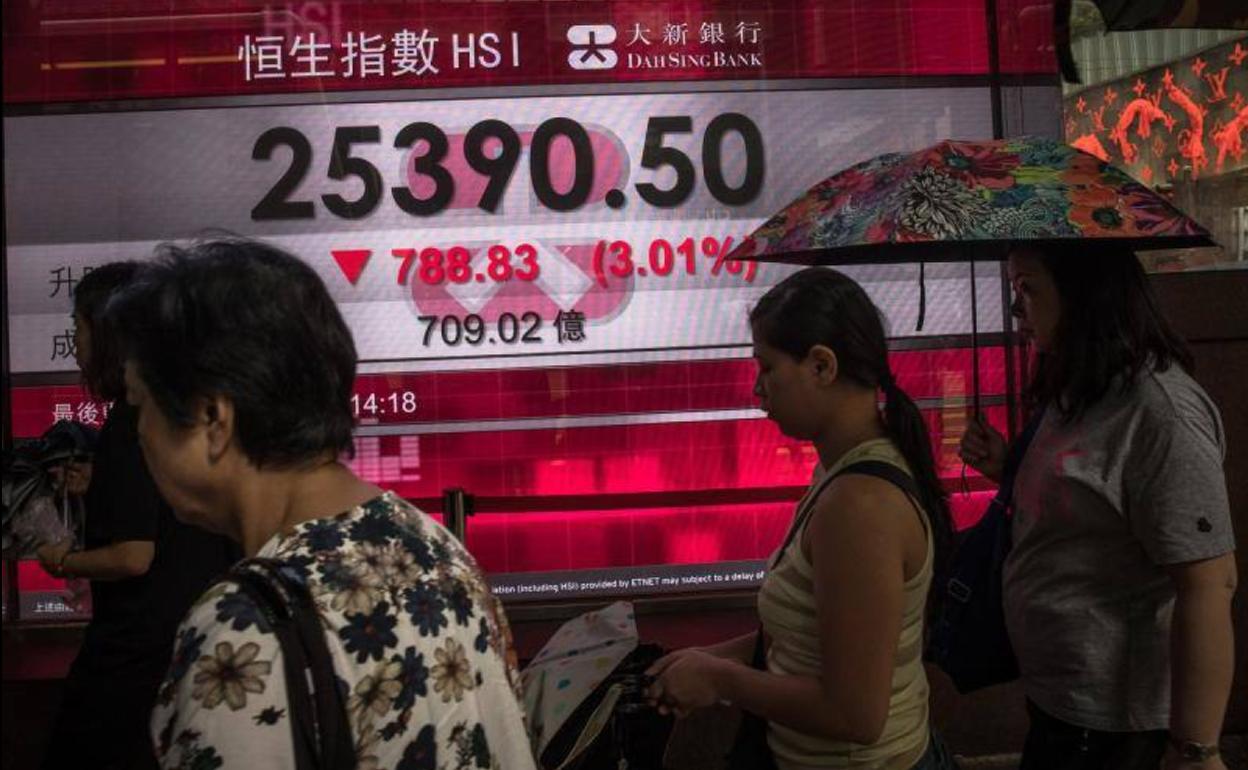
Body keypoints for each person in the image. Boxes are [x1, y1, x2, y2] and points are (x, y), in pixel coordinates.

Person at [107, 238, 536, 769]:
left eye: (139, 404)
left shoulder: (246, 627)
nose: (139, 432)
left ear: (214, 419)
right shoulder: (435, 548)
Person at [647, 267, 956, 769]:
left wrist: (721, 680)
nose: (757, 388)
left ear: (821, 366)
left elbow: (854, 715)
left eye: (767, 367)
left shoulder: (860, 507)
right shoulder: (840, 472)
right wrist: (713, 657)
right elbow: (811, 638)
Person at [960, 246, 1237, 770]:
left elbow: (1208, 582)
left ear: (1086, 294)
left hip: (1114, 723)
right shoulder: (1082, 387)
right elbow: (1089, 504)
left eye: (1027, 288)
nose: (1016, 309)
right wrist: (1007, 468)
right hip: (1060, 702)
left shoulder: (1161, 413)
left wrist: (1197, 751)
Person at [37, 262, 240, 770]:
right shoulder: (184, 411)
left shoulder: (133, 420)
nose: (75, 344)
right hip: (186, 645)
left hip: (133, 659)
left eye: (79, 327)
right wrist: (104, 481)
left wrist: (62, 561)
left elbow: (133, 556)